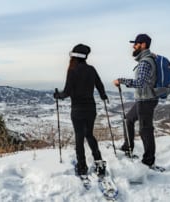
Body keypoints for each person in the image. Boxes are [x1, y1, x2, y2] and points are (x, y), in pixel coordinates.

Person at [54, 44, 108, 176]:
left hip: (77, 109)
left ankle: (82, 166)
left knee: (79, 137)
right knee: (89, 135)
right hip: (91, 108)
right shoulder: (91, 69)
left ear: (74, 56)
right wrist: (103, 96)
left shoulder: (72, 70)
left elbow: (67, 92)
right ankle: (99, 162)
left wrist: (58, 96)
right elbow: (100, 85)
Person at [113, 33, 159, 168]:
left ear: (143, 45)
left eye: (136, 44)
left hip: (146, 100)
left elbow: (140, 83)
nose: (133, 46)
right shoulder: (147, 59)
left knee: (145, 130)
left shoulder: (145, 62)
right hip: (144, 99)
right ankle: (128, 146)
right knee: (128, 119)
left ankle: (148, 161)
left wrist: (121, 80)